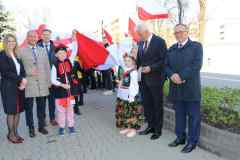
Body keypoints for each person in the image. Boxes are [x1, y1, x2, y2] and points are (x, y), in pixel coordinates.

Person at [165, 24, 203, 153]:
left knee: (193, 117)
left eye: (181, 32)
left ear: (187, 32)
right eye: (176, 32)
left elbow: (196, 65)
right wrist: (171, 75)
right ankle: (180, 137)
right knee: (179, 115)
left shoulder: (196, 47)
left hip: (191, 89)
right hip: (176, 89)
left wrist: (181, 76)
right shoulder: (171, 49)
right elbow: (166, 66)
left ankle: (192, 142)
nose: (178, 34)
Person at [136, 23, 167, 140]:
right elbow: (140, 60)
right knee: (147, 105)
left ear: (146, 31)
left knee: (157, 105)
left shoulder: (159, 42)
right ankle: (150, 126)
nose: (139, 36)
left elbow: (164, 60)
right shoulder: (140, 43)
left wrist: (151, 68)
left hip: (156, 80)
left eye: (140, 34)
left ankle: (158, 130)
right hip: (143, 80)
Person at [19, 30, 50, 137]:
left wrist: (49, 82)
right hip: (29, 84)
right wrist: (28, 72)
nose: (33, 38)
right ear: (27, 38)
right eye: (30, 36)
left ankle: (41, 126)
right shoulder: (21, 51)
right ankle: (31, 128)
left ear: (38, 38)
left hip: (42, 84)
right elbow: (19, 69)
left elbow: (47, 67)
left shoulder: (42, 50)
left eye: (34, 36)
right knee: (29, 108)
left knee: (41, 107)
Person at [0, 34, 27, 144]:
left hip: (19, 87)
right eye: (9, 41)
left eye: (14, 41)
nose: (12, 43)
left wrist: (23, 80)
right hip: (8, 87)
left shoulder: (16, 55)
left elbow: (22, 70)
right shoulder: (2, 55)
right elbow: (5, 72)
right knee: (11, 111)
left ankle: (15, 133)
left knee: (18, 111)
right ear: (5, 42)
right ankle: (10, 134)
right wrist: (21, 79)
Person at [51, 45, 79, 136]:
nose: (62, 54)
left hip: (70, 92)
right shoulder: (54, 65)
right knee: (61, 111)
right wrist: (62, 85)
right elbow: (53, 80)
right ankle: (61, 127)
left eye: (64, 53)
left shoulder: (69, 61)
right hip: (60, 92)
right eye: (60, 53)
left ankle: (71, 126)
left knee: (70, 110)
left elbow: (74, 51)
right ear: (56, 55)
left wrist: (75, 39)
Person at [115, 55, 144, 138]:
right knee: (126, 112)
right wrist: (119, 83)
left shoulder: (133, 72)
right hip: (123, 95)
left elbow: (135, 85)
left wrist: (132, 96)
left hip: (130, 96)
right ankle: (128, 127)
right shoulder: (124, 70)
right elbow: (123, 82)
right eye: (126, 61)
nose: (127, 62)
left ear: (133, 62)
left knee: (132, 112)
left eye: (129, 61)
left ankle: (133, 129)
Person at [37, 29, 58, 126]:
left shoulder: (55, 48)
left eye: (48, 35)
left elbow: (57, 62)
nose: (46, 36)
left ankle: (52, 118)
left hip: (52, 79)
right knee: (41, 101)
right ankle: (42, 119)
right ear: (41, 36)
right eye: (44, 35)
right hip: (41, 79)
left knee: (52, 100)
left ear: (50, 36)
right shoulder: (36, 47)